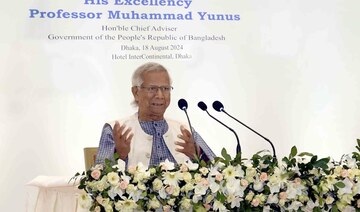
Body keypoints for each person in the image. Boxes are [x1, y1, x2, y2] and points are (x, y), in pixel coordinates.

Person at [95, 62, 215, 168]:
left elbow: (218, 171)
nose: (160, 95)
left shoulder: (184, 130)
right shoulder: (116, 130)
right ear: (136, 92)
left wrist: (197, 155)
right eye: (152, 88)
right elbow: (97, 182)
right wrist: (120, 156)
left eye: (165, 88)